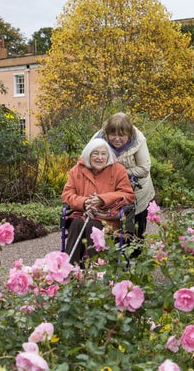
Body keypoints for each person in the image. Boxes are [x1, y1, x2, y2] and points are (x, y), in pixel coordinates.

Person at [61, 138, 135, 265]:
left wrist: (102, 200)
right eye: (95, 153)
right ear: (88, 154)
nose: (99, 157)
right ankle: (70, 269)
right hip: (83, 214)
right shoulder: (76, 170)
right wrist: (84, 202)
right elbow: (67, 194)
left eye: (103, 154)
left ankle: (96, 269)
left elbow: (128, 195)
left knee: (93, 226)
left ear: (108, 155)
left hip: (108, 219)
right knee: (76, 224)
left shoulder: (118, 170)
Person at [94, 112, 156, 240]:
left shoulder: (138, 140)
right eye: (113, 135)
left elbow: (144, 168)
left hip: (138, 191)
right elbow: (87, 159)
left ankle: (136, 255)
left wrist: (118, 173)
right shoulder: (98, 139)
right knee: (111, 227)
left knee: (136, 230)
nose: (117, 139)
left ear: (129, 133)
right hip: (110, 191)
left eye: (121, 135)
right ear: (106, 133)